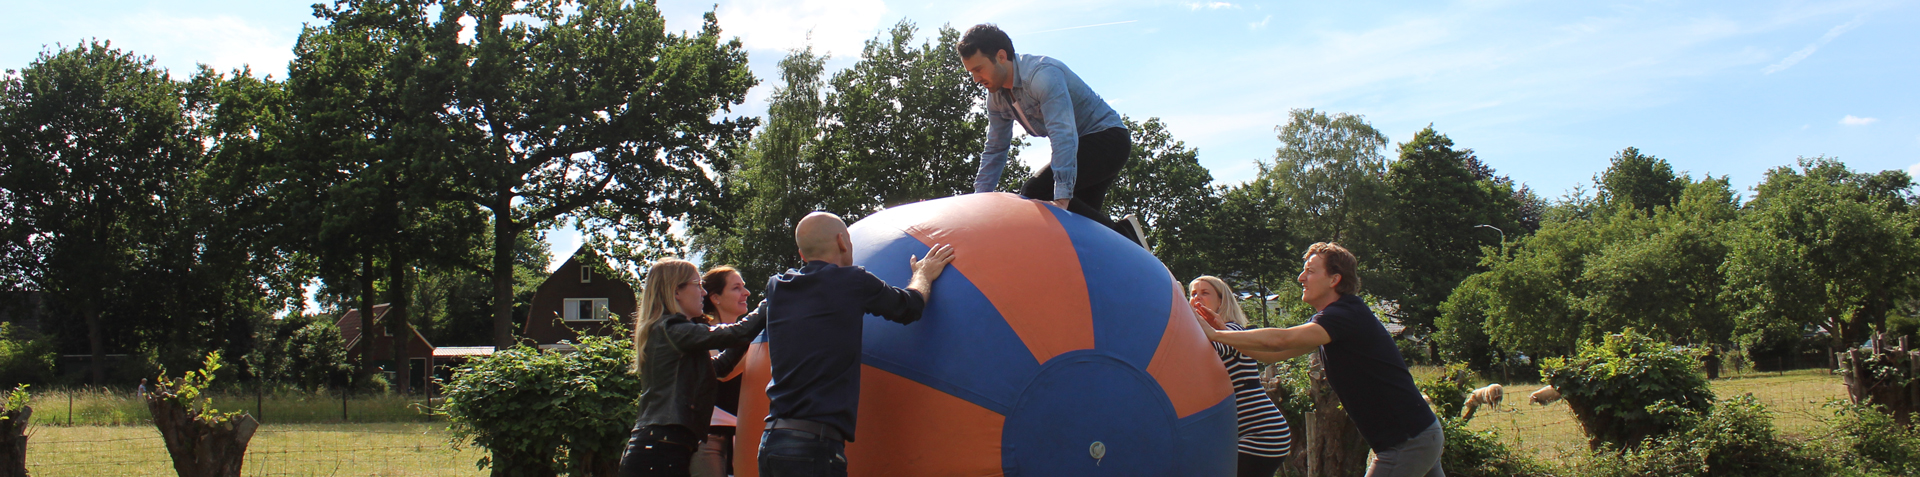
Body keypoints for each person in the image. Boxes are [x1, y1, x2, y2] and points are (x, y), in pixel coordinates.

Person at [1200, 243, 1443, 477]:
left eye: (1310, 271)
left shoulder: (1344, 315)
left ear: (1334, 279)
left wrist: (1215, 334)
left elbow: (1281, 340)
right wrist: (1227, 334)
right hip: (1417, 434)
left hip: (1406, 441)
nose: (1300, 277)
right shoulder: (1338, 319)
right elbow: (1270, 355)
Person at [758, 212, 955, 477]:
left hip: (772, 442)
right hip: (814, 447)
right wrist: (923, 275)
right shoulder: (852, 281)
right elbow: (909, 307)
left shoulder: (776, 287)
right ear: (842, 242)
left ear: (802, 255)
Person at [956, 24, 1146, 247]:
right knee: (1080, 228)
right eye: (971, 73)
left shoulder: (1042, 75)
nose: (976, 79)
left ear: (1000, 56)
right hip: (1081, 144)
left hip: (1107, 140)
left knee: (1036, 192)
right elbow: (995, 149)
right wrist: (978, 202)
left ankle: (1127, 236)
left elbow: (1063, 134)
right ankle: (1126, 247)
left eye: (979, 69)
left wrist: (1061, 196)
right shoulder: (996, 99)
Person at [619, 259, 768, 477]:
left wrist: (750, 332)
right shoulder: (671, 329)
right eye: (697, 285)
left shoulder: (673, 333)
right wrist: (770, 302)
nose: (704, 292)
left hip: (664, 446)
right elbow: (737, 333)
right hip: (659, 448)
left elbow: (721, 367)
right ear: (676, 291)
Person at [1189, 276, 1294, 477]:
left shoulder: (1231, 330)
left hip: (1262, 433)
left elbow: (1208, 350)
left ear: (1221, 301)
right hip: (1245, 434)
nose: (1197, 298)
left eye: (1205, 293)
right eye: (1193, 294)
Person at [692, 266, 752, 477]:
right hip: (710, 440)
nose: (746, 293)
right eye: (737, 288)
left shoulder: (753, 339)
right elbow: (722, 372)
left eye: (744, 286)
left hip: (746, 438)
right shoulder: (702, 335)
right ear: (716, 298)